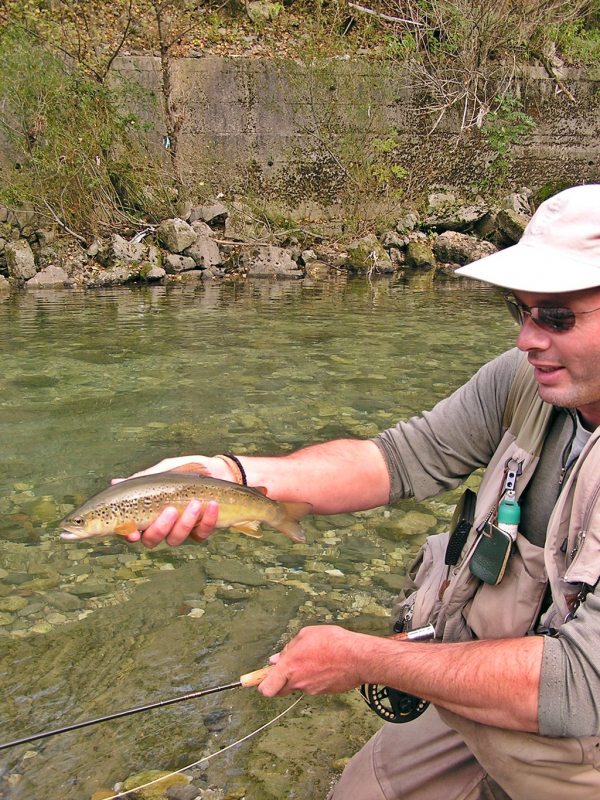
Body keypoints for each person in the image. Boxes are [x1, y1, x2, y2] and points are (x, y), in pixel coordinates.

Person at [123, 184, 600, 799]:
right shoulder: (523, 381)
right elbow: (399, 459)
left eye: (556, 317)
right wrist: (229, 474)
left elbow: (577, 687)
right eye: (521, 311)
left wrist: (366, 659)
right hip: (479, 690)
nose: (527, 340)